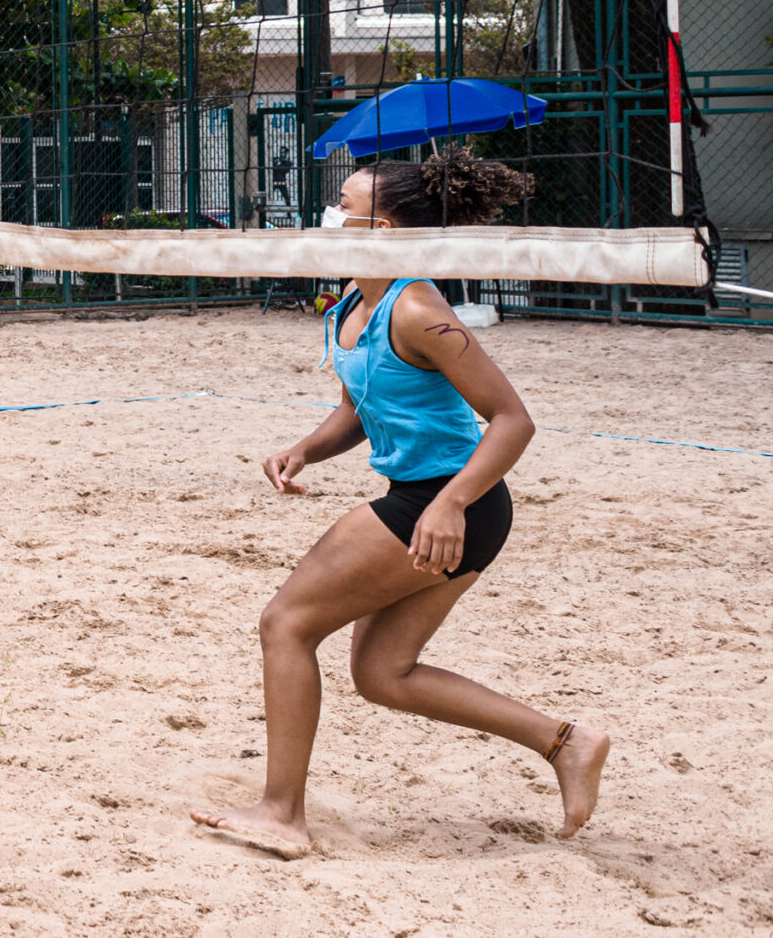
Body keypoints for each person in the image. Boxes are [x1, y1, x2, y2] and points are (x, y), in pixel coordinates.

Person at [192, 150, 610, 860]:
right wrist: (305, 449)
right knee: (384, 673)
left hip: (453, 501)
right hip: (433, 499)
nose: (330, 210)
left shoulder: (416, 306)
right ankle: (565, 741)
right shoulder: (354, 301)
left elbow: (513, 419)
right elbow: (362, 409)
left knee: (286, 621)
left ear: (378, 224)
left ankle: (281, 813)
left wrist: (447, 503)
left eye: (342, 198)